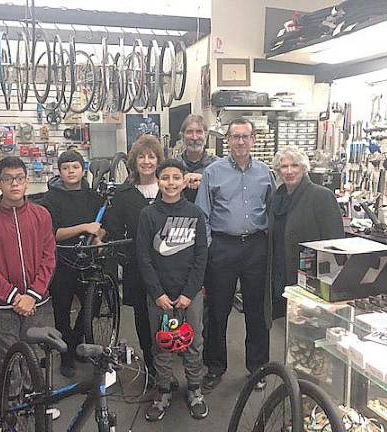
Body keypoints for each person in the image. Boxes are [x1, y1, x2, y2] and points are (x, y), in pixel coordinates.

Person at [195, 117, 274, 392]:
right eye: (235, 136)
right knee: (217, 310)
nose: (240, 141)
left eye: (245, 136)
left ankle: (258, 368)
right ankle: (215, 367)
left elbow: (272, 210)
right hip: (223, 246)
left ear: (253, 140)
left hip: (256, 247)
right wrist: (208, 249)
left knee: (256, 310)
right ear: (227, 140)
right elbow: (202, 214)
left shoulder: (266, 173)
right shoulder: (213, 173)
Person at [136, 159, 208, 421]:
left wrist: (190, 293)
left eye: (176, 178)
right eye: (165, 178)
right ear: (158, 180)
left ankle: (195, 390)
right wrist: (157, 293)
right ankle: (163, 390)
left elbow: (201, 256)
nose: (170, 183)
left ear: (184, 180)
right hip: (160, 295)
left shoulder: (195, 213)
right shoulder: (148, 215)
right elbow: (143, 257)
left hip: (190, 294)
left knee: (193, 343)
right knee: (163, 343)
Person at [0, 157, 56, 371]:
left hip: (37, 303)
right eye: (8, 179)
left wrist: (32, 295)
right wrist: (14, 297)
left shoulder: (42, 215)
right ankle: (12, 402)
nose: (15, 184)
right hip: (3, 304)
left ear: (27, 181)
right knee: (8, 357)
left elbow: (49, 257)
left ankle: (37, 402)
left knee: (37, 356)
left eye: (19, 178)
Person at [104, 135, 164, 380]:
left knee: (168, 318)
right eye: (142, 156)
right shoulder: (124, 194)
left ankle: (165, 367)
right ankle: (150, 366)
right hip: (138, 267)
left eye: (151, 156)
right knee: (142, 317)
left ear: (158, 160)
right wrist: (128, 257)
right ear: (134, 160)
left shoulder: (169, 186)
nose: (147, 161)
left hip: (169, 266)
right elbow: (114, 228)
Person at [40, 150, 105, 378]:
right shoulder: (50, 199)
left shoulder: (94, 197)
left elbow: (102, 225)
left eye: (75, 167)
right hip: (62, 262)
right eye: (66, 167)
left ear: (82, 169)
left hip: (88, 262)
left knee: (93, 305)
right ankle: (66, 355)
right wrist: (84, 227)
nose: (70, 171)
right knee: (61, 311)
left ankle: (76, 343)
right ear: (59, 171)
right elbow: (53, 234)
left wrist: (98, 237)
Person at [268, 147, 344, 319]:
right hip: (282, 275)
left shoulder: (321, 196)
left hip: (311, 278)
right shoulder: (276, 198)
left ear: (303, 168)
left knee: (312, 327)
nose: (289, 171)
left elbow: (335, 242)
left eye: (294, 165)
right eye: (284, 166)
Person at [175, 114, 218, 202]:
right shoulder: (173, 165)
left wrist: (205, 180)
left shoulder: (217, 166)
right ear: (182, 136)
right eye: (190, 132)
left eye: (199, 132)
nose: (194, 137)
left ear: (206, 135)